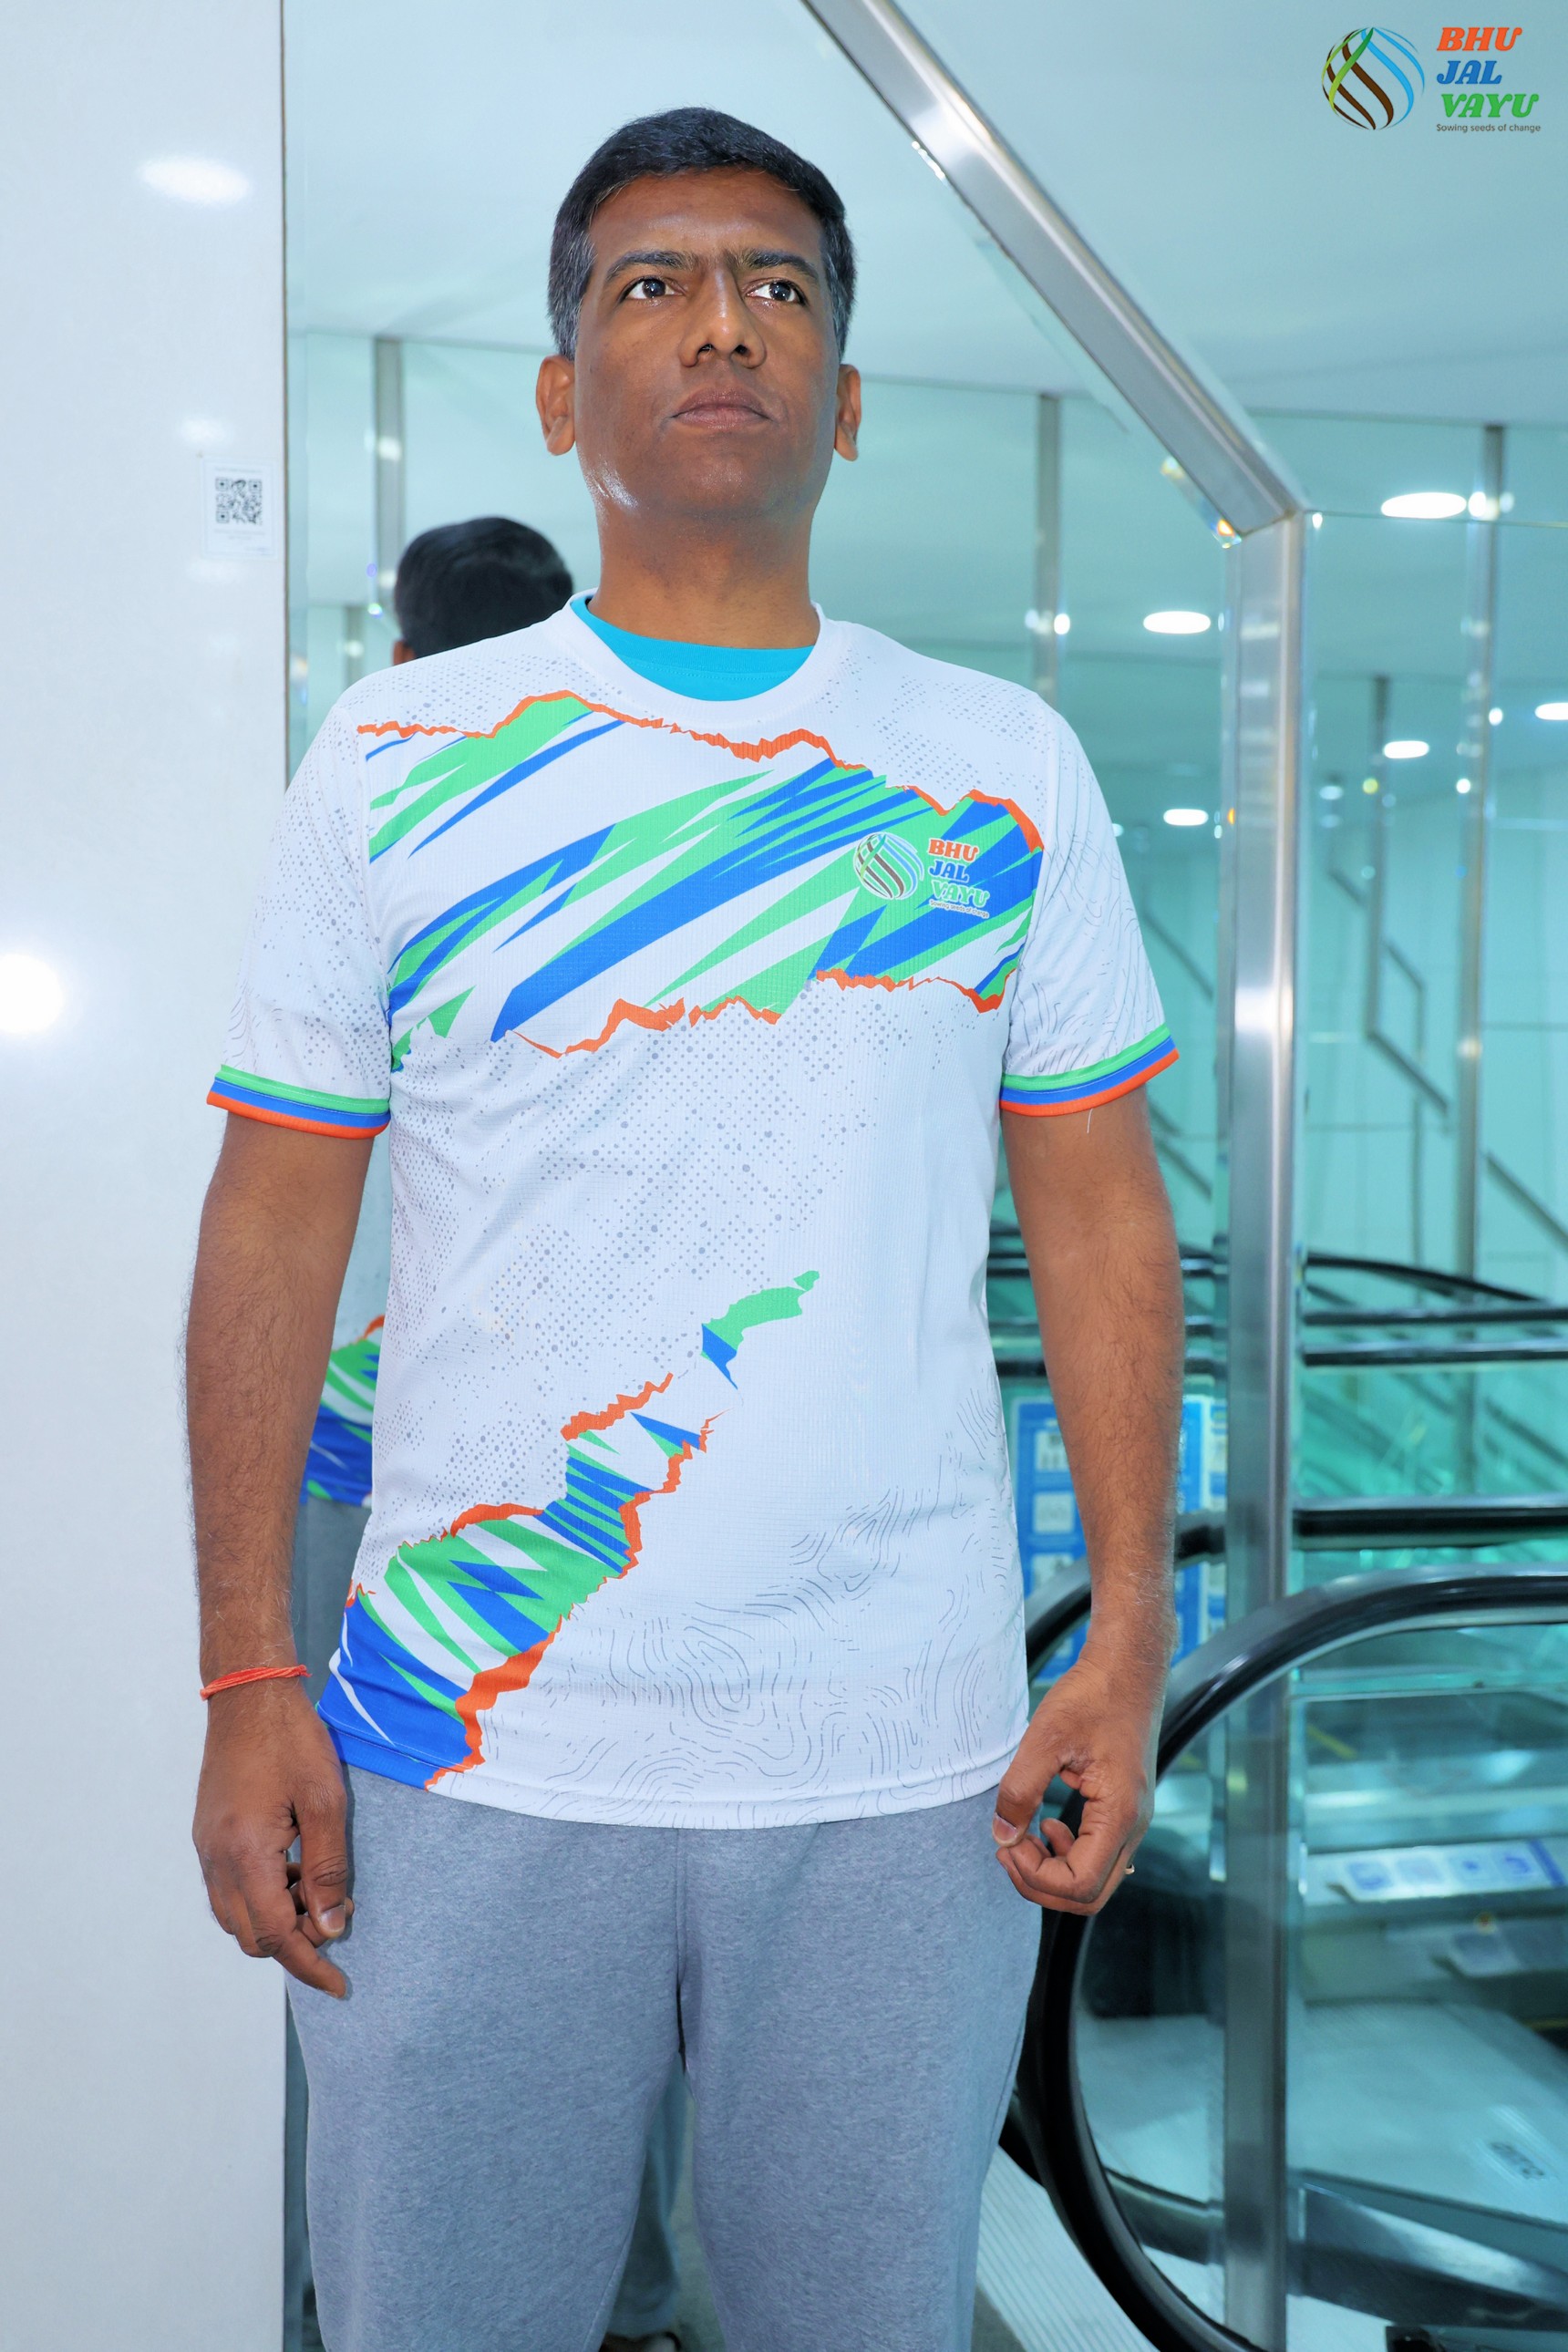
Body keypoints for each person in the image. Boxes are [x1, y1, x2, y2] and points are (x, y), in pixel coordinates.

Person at [189, 107, 1184, 2352]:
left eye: (776, 286)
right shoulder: (395, 758)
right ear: (562, 397)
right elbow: (268, 1230)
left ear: (846, 393)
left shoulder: (999, 767)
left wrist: (1123, 1637)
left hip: (900, 1764)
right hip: (465, 1749)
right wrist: (250, 1674)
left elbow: (1103, 1225)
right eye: (651, 286)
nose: (720, 324)